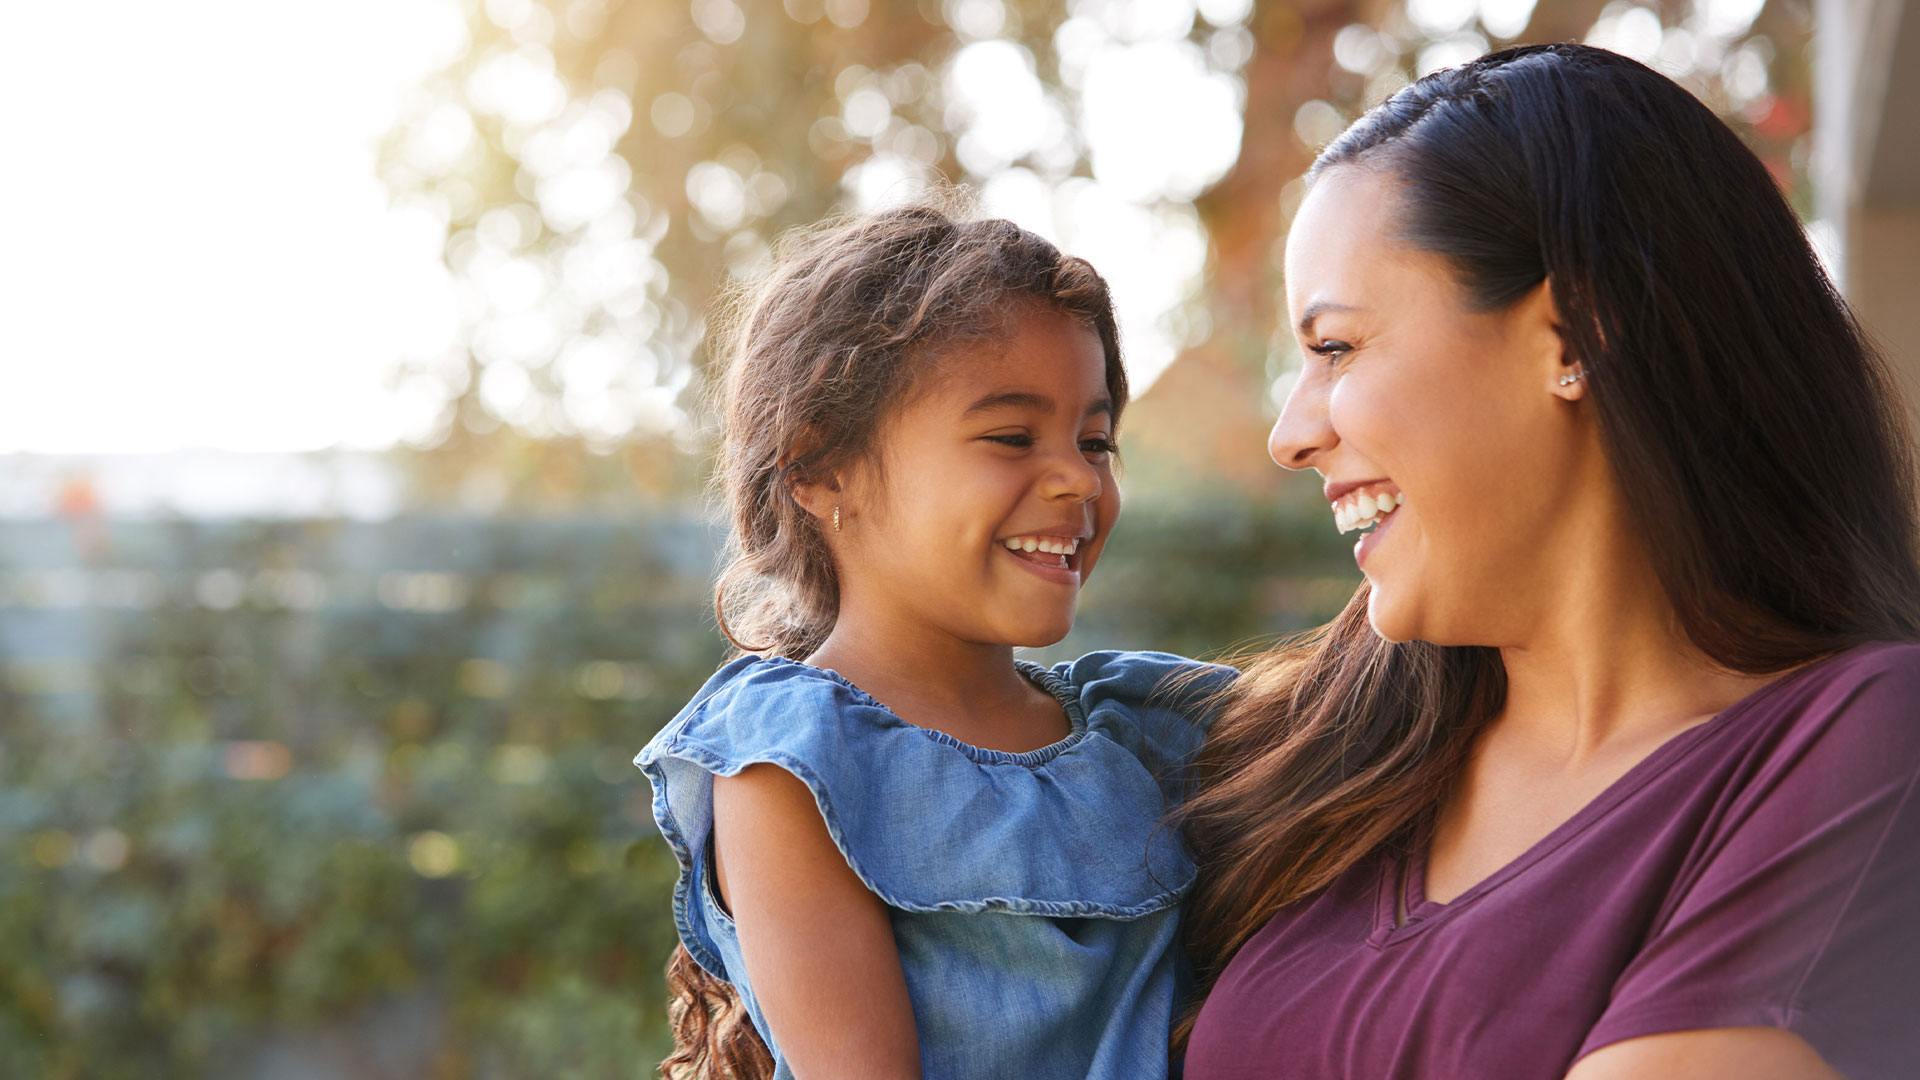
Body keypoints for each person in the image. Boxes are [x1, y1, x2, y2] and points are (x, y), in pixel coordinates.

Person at [1176, 44, 1920, 1080]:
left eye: (1336, 348)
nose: (1290, 434)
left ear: (1577, 332)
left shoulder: (1864, 744)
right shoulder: (1311, 752)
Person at [634, 203, 1234, 1080]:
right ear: (818, 467)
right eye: (1010, 437)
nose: (1078, 477)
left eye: (1096, 439)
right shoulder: (793, 765)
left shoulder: (1155, 727)